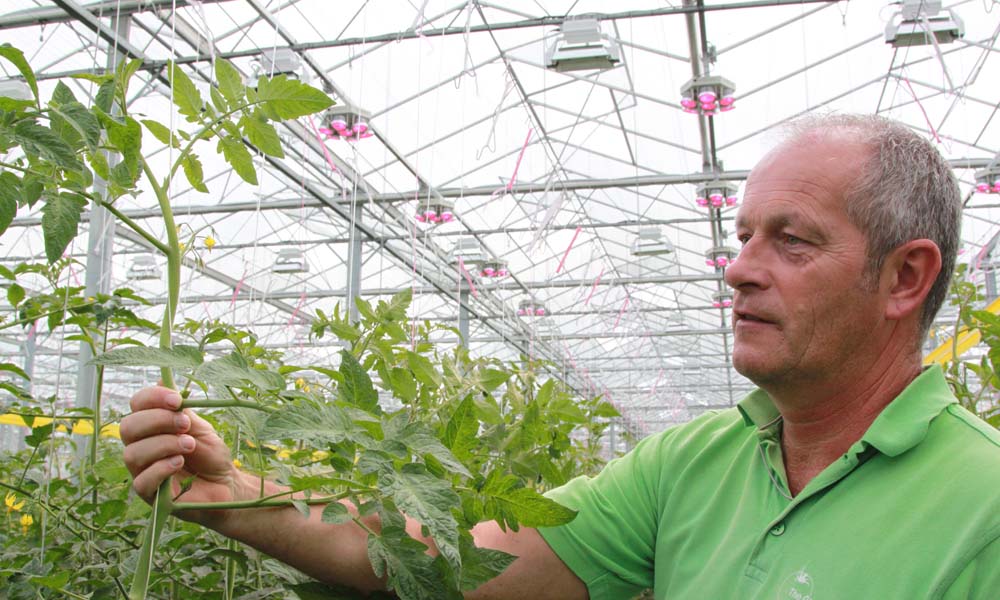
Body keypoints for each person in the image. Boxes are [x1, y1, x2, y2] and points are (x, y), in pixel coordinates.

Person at [121, 114, 1000, 599]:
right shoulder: (693, 465)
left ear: (903, 277)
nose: (738, 269)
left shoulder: (981, 508)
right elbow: (449, 564)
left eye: (792, 241)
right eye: (740, 236)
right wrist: (236, 497)